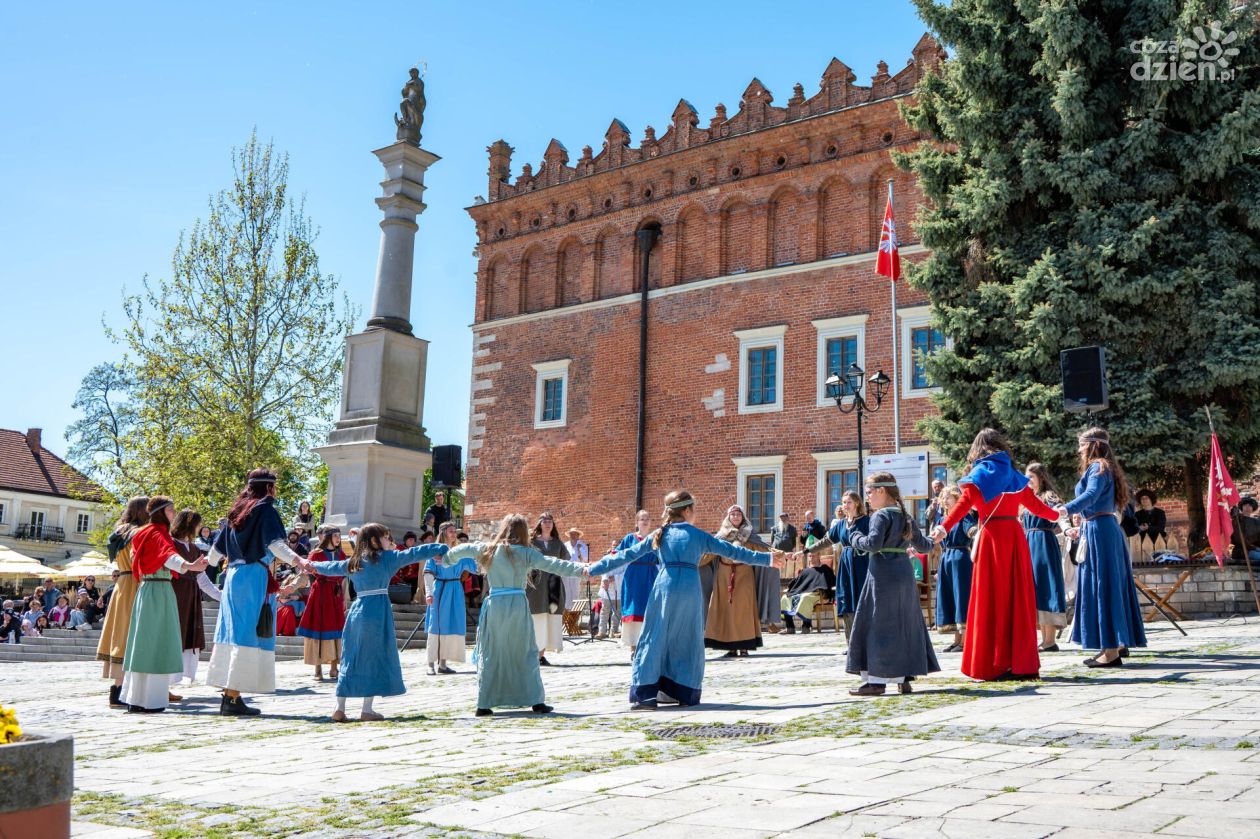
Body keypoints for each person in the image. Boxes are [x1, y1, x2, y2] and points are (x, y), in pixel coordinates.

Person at [590, 490, 785, 709]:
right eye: (694, 509)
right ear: (687, 510)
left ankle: (646, 694)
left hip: (664, 588)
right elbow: (733, 551)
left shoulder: (659, 534)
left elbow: (626, 555)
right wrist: (767, 559)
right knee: (688, 639)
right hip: (690, 589)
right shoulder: (697, 535)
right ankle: (683, 692)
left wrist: (592, 569)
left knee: (655, 637)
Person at [932, 428, 1059, 681]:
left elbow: (960, 508)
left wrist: (942, 529)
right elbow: (1035, 506)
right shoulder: (1013, 475)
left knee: (991, 599)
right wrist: (1059, 515)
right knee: (1017, 599)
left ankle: (993, 663)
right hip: (1014, 537)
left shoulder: (977, 477)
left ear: (978, 448)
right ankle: (1020, 663)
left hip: (990, 539)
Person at [440, 514, 589, 716]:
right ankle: (536, 701)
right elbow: (555, 564)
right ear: (522, 532)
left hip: (495, 606)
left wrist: (446, 559)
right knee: (526, 652)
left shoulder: (488, 549)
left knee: (493, 652)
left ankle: (484, 703)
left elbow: (461, 550)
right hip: (517, 605)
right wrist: (583, 570)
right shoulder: (527, 553)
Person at [302, 523, 448, 721]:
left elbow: (331, 568)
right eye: (387, 537)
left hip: (357, 610)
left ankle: (339, 708)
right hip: (377, 611)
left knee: (351, 656)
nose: (391, 541)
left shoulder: (355, 561)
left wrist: (311, 565)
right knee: (373, 656)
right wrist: (441, 548)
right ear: (374, 541)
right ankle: (367, 710)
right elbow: (415, 552)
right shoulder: (387, 558)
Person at [202, 468, 305, 716]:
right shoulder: (265, 509)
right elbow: (275, 544)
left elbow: (215, 554)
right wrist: (297, 560)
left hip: (233, 577)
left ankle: (229, 694)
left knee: (231, 632)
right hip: (253, 577)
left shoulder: (237, 512)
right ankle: (233, 698)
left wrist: (200, 567)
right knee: (246, 633)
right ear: (269, 487)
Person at [1056, 427, 1147, 668]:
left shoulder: (1098, 467)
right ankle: (1112, 646)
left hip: (1100, 532)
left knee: (1102, 586)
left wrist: (1065, 509)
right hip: (1098, 528)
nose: (1078, 449)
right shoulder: (1105, 467)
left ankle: (1110, 650)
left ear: (1093, 445)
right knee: (1105, 585)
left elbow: (1092, 494)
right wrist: (1081, 519)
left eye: (1082, 444)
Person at [844, 473, 939, 696]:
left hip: (883, 575)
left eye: (869, 492)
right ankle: (904, 677)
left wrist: (854, 536)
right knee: (903, 624)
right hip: (904, 576)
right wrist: (936, 537)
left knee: (879, 624)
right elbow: (924, 546)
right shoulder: (906, 516)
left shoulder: (880, 516)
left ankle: (876, 682)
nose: (867, 497)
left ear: (881, 491)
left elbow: (873, 544)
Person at [120, 497, 210, 712]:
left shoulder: (142, 532)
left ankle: (136, 698)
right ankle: (151, 700)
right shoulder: (158, 533)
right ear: (162, 512)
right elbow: (167, 556)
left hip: (145, 590)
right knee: (158, 643)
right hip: (160, 591)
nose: (173, 514)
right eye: (171, 510)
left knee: (143, 644)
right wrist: (189, 565)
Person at [96, 496, 149, 709]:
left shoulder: (119, 531)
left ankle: (117, 690)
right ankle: (121, 691)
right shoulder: (138, 533)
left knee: (119, 633)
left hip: (122, 583)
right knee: (129, 634)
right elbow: (141, 560)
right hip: (136, 582)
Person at [700, 505, 769, 657]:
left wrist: (777, 555)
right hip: (723, 577)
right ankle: (730, 646)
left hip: (744, 575)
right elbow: (708, 554)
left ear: (743, 517)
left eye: (739, 514)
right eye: (733, 514)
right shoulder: (721, 536)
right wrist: (692, 561)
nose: (736, 517)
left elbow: (764, 550)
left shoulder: (749, 535)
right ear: (728, 518)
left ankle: (744, 646)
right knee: (726, 610)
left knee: (743, 610)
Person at [801, 493, 870, 640]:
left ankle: (866, 642)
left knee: (863, 601)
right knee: (846, 600)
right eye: (843, 502)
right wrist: (807, 550)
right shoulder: (841, 524)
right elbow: (826, 541)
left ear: (857, 503)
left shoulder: (866, 522)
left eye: (848, 502)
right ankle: (850, 642)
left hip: (862, 564)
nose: (845, 505)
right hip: (845, 565)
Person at [169, 510, 221, 687]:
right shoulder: (171, 544)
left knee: (190, 632)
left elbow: (202, 579)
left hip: (191, 595)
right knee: (176, 632)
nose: (199, 528)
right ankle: (168, 679)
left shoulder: (194, 548)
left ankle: (182, 675)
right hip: (175, 592)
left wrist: (222, 597)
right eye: (197, 524)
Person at [423, 522, 479, 675]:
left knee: (450, 624)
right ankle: (430, 664)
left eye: (455, 531)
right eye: (451, 531)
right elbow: (428, 573)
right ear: (443, 533)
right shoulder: (435, 551)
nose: (454, 534)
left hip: (455, 590)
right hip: (440, 589)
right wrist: (428, 592)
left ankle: (443, 664)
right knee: (435, 626)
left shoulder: (459, 552)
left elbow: (476, 567)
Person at [1024, 463, 1068, 652]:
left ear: (1040, 478)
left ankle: (1050, 641)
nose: (1028, 481)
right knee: (1034, 588)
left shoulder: (1048, 496)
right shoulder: (1025, 499)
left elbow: (1059, 514)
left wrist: (1067, 529)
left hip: (1043, 543)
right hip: (1028, 543)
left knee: (1045, 586)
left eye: (1031, 477)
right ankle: (1044, 639)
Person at [298, 525, 348, 682]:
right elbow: (306, 574)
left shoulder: (341, 554)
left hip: (336, 594)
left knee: (337, 628)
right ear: (328, 537)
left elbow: (345, 577)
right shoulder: (316, 554)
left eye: (339, 536)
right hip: (320, 593)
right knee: (319, 627)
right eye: (336, 536)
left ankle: (334, 667)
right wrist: (292, 586)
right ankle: (317, 668)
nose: (338, 539)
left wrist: (345, 598)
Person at [933, 485, 976, 653]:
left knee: (961, 597)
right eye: (943, 497)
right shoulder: (941, 520)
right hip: (946, 559)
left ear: (958, 499)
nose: (944, 500)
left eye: (948, 497)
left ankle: (964, 641)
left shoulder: (964, 516)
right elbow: (934, 539)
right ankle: (956, 640)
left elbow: (972, 531)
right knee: (950, 597)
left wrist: (977, 534)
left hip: (960, 559)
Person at [614, 511, 659, 654]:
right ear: (637, 522)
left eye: (647, 519)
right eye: (642, 519)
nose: (645, 521)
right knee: (634, 609)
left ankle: (649, 644)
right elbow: (616, 555)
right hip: (633, 577)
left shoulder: (655, 539)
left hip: (651, 576)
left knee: (650, 608)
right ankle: (633, 647)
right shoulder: (629, 538)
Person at [529, 513, 569, 666]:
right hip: (535, 584)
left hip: (553, 583)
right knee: (536, 616)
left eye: (550, 521)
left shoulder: (557, 543)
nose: (547, 524)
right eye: (545, 521)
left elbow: (566, 561)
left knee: (549, 616)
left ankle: (541, 654)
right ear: (539, 523)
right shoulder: (531, 542)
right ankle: (533, 652)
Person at [780, 552, 835, 634]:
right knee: (785, 597)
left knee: (805, 598)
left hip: (819, 594)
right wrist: (791, 589)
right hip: (804, 593)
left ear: (819, 555)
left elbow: (831, 581)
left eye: (813, 555)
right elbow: (796, 583)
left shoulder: (825, 569)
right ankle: (790, 627)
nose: (811, 558)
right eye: (810, 556)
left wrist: (823, 588)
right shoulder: (805, 571)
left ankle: (806, 625)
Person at [760, 512, 795, 633]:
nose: (783, 519)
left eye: (785, 517)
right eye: (781, 517)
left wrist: (785, 554)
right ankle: (766, 623)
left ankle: (770, 622)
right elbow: (771, 542)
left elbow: (794, 542)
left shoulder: (792, 529)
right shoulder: (774, 529)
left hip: (784, 560)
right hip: (772, 560)